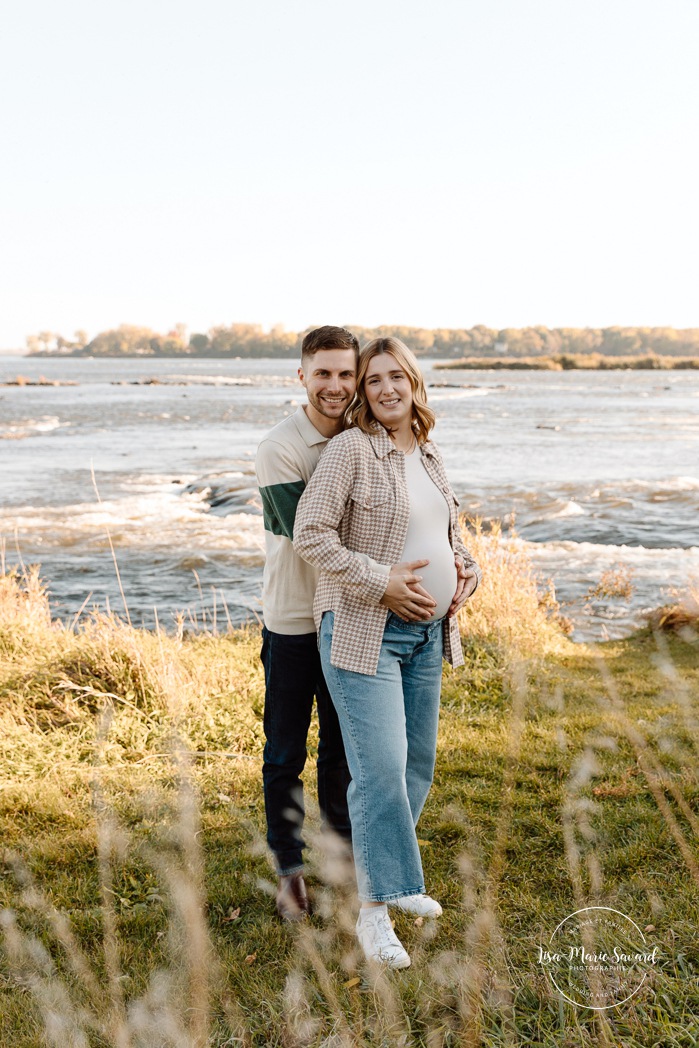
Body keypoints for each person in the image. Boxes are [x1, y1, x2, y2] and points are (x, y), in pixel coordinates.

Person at [293, 336, 480, 966]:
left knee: (415, 766)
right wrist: (384, 583)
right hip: (361, 632)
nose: (387, 389)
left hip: (428, 635)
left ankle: (394, 881)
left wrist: (464, 576)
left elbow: (450, 535)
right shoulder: (350, 450)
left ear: (414, 383)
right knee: (378, 772)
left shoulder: (429, 454)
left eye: (397, 377)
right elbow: (310, 534)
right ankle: (375, 913)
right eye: (373, 382)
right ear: (364, 394)